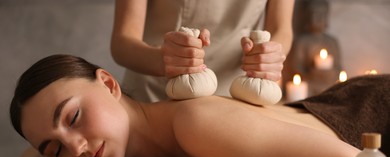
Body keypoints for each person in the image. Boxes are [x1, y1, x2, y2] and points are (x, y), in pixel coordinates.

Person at [10, 55, 389, 157]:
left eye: (74, 117)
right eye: (56, 146)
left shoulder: (196, 123)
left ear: (109, 84)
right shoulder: (127, 150)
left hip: (373, 113)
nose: (75, 146)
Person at [111, 0, 295, 102]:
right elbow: (122, 42)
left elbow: (282, 29)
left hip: (235, 98)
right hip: (155, 95)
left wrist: (270, 54)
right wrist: (162, 60)